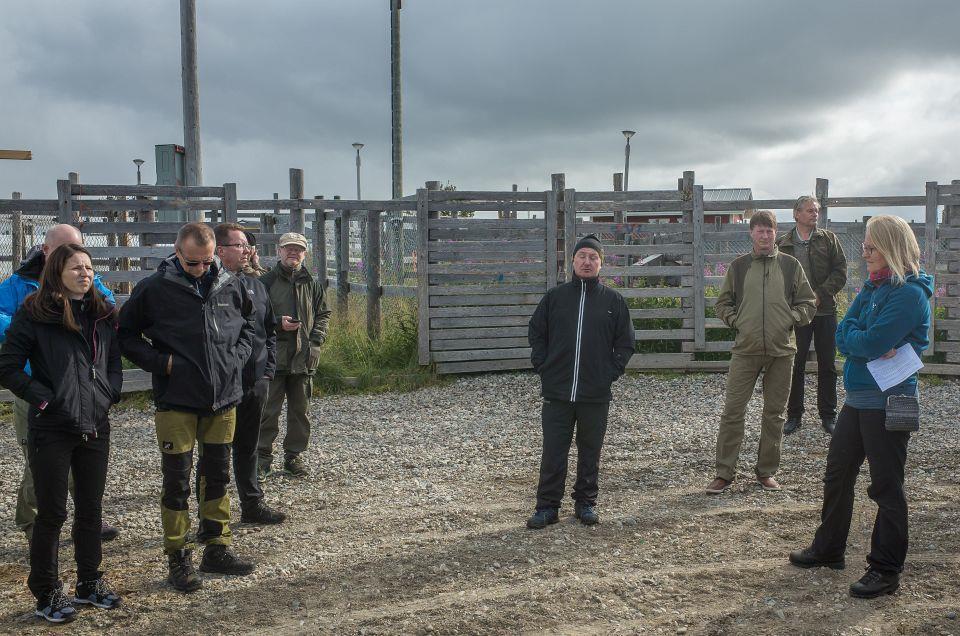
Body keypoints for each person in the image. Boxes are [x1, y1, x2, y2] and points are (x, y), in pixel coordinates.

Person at [790, 215, 933, 599]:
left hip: (893, 401)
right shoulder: (873, 288)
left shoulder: (909, 294)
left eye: (870, 247)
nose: (864, 253)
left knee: (887, 487)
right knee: (838, 475)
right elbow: (844, 332)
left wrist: (861, 341)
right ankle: (829, 548)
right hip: (858, 399)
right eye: (865, 247)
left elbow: (867, 343)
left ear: (890, 248)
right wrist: (861, 340)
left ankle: (885, 571)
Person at [118, 222, 256, 593]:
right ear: (177, 253)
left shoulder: (230, 282)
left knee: (218, 475)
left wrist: (236, 359)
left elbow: (249, 326)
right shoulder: (154, 289)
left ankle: (217, 547)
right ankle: (178, 557)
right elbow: (125, 335)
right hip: (177, 401)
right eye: (193, 263)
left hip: (223, 398)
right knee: (177, 480)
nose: (200, 269)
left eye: (206, 262)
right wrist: (162, 363)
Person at [0, 244, 123, 623]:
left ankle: (89, 581)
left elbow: (112, 362)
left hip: (94, 425)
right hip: (52, 427)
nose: (85, 274)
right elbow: (8, 366)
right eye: (76, 268)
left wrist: (108, 394)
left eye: (88, 268)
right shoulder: (35, 313)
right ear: (57, 272)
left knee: (90, 508)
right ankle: (47, 590)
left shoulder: (101, 314)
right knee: (52, 513)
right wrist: (43, 401)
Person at [526, 234, 635, 529]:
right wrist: (544, 366)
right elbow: (536, 332)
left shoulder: (613, 302)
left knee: (590, 450)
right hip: (558, 391)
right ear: (572, 261)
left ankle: (585, 503)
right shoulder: (555, 298)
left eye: (593, 257)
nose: (587, 262)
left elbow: (625, 344)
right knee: (553, 451)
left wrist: (609, 373)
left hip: (595, 394)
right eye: (582, 256)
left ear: (601, 264)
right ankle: (547, 507)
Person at [707, 210, 817, 494]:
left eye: (769, 231)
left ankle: (766, 471)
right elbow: (723, 304)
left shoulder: (791, 266)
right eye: (759, 230)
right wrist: (738, 321)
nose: (765, 235)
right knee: (733, 411)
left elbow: (808, 301)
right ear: (751, 233)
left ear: (775, 233)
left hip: (782, 351)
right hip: (746, 350)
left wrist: (791, 318)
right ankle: (724, 473)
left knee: (775, 413)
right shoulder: (739, 267)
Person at [213, 224, 285, 525]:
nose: (248, 250)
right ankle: (213, 517)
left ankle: (252, 504)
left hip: (255, 380)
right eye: (241, 245)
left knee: (248, 444)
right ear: (220, 250)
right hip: (222, 383)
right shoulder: (212, 286)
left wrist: (267, 371)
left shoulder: (255, 284)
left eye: (248, 246)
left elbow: (268, 329)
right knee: (216, 451)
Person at [257, 232, 330, 479]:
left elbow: (323, 313)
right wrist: (278, 324)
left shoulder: (312, 283)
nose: (293, 253)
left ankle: (293, 457)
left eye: (298, 249)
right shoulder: (266, 282)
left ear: (304, 254)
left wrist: (317, 339)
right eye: (288, 248)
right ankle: (262, 458)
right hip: (273, 358)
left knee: (300, 411)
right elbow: (254, 318)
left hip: (303, 358)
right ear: (279, 251)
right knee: (268, 411)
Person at [777, 196, 848, 435]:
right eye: (809, 210)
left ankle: (828, 416)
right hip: (796, 314)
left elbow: (841, 271)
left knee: (827, 364)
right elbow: (777, 278)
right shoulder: (783, 243)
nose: (814, 214)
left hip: (825, 310)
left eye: (816, 210)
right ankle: (794, 416)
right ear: (796, 214)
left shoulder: (829, 240)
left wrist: (820, 294)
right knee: (794, 364)